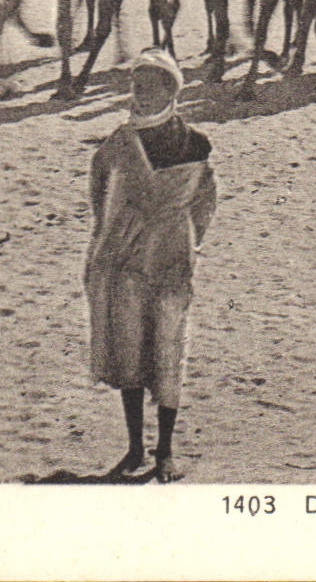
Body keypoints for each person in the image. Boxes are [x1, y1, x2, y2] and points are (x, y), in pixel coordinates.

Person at [85, 47, 215, 483]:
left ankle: (165, 452)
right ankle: (135, 448)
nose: (139, 95)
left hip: (173, 262)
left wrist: (185, 242)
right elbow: (100, 196)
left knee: (168, 349)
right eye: (135, 87)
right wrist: (116, 237)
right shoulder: (116, 146)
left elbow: (204, 203)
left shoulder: (194, 144)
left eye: (149, 86)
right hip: (124, 262)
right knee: (129, 349)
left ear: (170, 90)